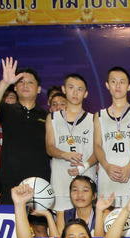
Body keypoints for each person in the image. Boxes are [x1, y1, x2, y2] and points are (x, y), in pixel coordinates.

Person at [0, 57, 49, 204]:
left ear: (39, 89)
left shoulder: (47, 116)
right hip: (10, 179)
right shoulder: (7, 109)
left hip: (39, 180)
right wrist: (5, 82)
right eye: (21, 82)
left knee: (38, 219)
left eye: (30, 82)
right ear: (15, 87)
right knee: (11, 216)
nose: (25, 85)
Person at [46, 73, 96, 210]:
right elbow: (49, 147)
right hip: (60, 181)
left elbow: (98, 150)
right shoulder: (52, 118)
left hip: (85, 180)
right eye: (71, 87)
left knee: (85, 222)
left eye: (79, 89)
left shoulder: (94, 119)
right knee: (60, 222)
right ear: (64, 89)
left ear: (85, 93)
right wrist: (64, 154)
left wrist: (85, 165)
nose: (75, 93)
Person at [95, 66, 130, 207]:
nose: (118, 85)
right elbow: (97, 145)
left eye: (122, 82)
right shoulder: (100, 115)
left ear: (129, 87)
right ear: (107, 85)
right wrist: (106, 166)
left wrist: (129, 167)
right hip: (107, 177)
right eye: (113, 81)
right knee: (107, 218)